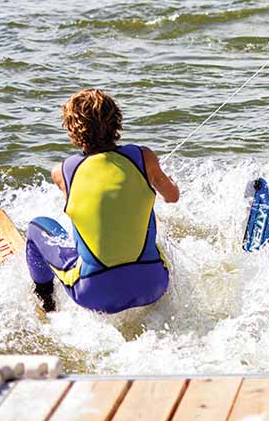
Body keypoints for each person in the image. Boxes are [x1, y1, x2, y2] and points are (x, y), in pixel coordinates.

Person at [26, 89, 179, 314]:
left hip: (94, 292)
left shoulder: (62, 171)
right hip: (153, 285)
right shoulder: (144, 156)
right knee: (148, 226)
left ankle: (47, 305)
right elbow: (172, 196)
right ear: (116, 121)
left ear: (72, 129)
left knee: (35, 227)